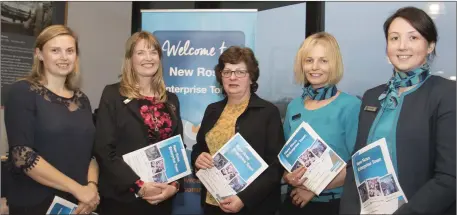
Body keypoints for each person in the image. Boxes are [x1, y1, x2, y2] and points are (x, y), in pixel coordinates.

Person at [340, 6, 456, 215]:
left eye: (413, 38)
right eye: (394, 38)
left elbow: (449, 178)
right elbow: (356, 166)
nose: (402, 46)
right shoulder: (372, 96)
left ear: (430, 46)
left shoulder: (447, 93)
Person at [4, 25, 99, 215]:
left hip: (78, 204)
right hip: (35, 203)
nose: (64, 57)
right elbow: (22, 155)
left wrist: (91, 187)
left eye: (70, 51)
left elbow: (91, 153)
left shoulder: (82, 99)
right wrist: (77, 189)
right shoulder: (22, 92)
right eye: (55, 50)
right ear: (39, 54)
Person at [93, 31, 184, 215]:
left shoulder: (171, 100)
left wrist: (174, 186)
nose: (148, 58)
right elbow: (104, 149)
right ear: (130, 58)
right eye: (140, 52)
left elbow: (177, 149)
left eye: (153, 52)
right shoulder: (113, 95)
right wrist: (139, 186)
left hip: (162, 199)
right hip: (123, 200)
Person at [191, 46, 284, 215]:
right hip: (213, 203)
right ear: (221, 76)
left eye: (240, 72)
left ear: (251, 77)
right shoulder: (212, 110)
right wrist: (198, 158)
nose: (233, 77)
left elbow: (276, 166)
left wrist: (244, 199)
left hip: (252, 206)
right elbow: (199, 147)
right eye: (227, 72)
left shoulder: (268, 112)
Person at [279, 32, 361, 215]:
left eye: (323, 61)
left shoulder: (351, 106)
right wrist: (288, 176)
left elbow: (357, 165)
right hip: (294, 201)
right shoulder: (294, 107)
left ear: (334, 64)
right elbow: (285, 158)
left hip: (334, 205)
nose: (314, 67)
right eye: (309, 60)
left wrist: (313, 188)